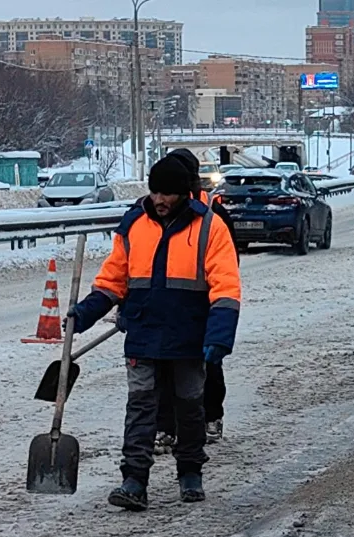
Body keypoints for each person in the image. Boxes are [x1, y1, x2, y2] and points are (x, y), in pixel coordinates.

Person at [65, 153, 241, 511]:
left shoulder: (209, 227)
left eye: (168, 194)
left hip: (190, 336)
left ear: (184, 193)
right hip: (143, 334)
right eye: (155, 192)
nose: (160, 200)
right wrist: (85, 312)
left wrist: (220, 336)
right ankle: (134, 480)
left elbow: (225, 285)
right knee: (141, 408)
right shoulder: (134, 225)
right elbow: (114, 280)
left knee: (189, 407)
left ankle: (190, 473)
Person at [153, 149, 238, 449]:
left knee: (208, 366)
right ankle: (165, 426)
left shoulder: (214, 215)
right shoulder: (158, 214)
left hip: (202, 307)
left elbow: (228, 265)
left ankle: (211, 417)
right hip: (166, 308)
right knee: (162, 369)